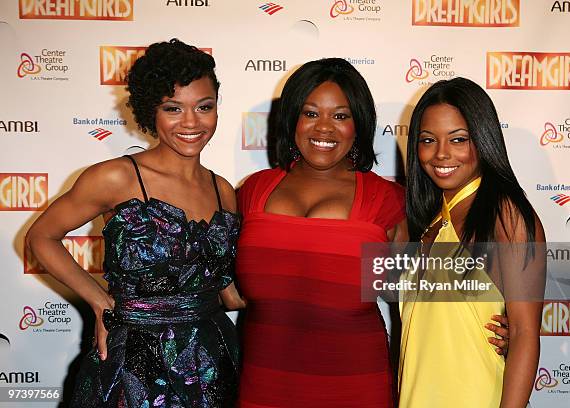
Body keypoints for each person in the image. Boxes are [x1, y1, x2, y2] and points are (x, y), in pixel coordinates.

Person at [26, 39, 245, 407]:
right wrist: (100, 301)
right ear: (150, 111)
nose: (191, 122)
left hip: (210, 357)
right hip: (135, 360)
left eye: (204, 107)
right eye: (173, 108)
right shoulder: (116, 178)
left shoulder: (221, 188)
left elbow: (227, 289)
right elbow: (42, 237)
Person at [235, 58, 408, 407]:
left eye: (340, 116)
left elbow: (418, 296)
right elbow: (216, 283)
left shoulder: (387, 201)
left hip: (357, 388)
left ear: (358, 123)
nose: (324, 128)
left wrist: (506, 325)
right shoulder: (253, 191)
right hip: (262, 386)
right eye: (311, 113)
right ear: (292, 120)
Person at [398, 77, 546, 407]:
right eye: (427, 140)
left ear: (483, 139)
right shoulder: (428, 223)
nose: (441, 154)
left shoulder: (505, 214)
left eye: (458, 139)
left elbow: (523, 334)